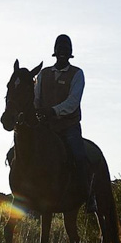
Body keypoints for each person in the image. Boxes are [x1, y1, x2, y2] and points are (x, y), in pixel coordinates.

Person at [35, 34, 90, 202]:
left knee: (79, 155)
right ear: (55, 51)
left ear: (70, 53)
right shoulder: (43, 74)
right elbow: (36, 98)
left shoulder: (77, 74)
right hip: (45, 126)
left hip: (68, 126)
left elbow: (73, 102)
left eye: (66, 50)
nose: (62, 52)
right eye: (60, 49)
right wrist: (37, 112)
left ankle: (88, 195)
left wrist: (53, 111)